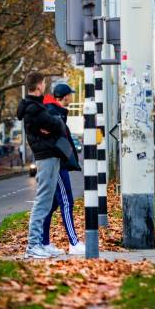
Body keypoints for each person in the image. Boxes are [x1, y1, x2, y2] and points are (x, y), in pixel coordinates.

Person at [17, 72, 66, 259]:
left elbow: (54, 126)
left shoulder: (36, 107)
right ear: (38, 86)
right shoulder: (34, 109)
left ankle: (41, 243)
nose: (45, 86)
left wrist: (53, 127)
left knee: (46, 201)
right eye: (44, 83)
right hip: (46, 155)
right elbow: (57, 125)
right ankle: (32, 245)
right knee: (42, 201)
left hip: (49, 154)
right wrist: (55, 124)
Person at [41, 83, 85, 255]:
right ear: (65, 96)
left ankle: (43, 242)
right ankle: (73, 243)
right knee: (67, 201)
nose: (72, 98)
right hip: (56, 163)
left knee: (51, 205)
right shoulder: (53, 112)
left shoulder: (54, 111)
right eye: (70, 95)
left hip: (57, 161)